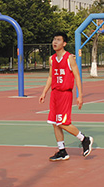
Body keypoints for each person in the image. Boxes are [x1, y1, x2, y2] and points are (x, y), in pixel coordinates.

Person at [38, 32, 93, 162]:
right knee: (55, 123)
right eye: (54, 39)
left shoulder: (69, 58)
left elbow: (77, 76)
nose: (55, 42)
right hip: (54, 94)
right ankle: (62, 151)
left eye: (58, 40)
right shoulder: (52, 59)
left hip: (65, 94)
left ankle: (84, 139)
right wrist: (44, 92)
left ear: (64, 43)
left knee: (63, 122)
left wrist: (80, 95)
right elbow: (51, 76)